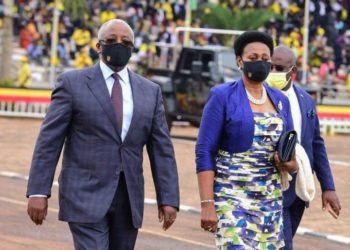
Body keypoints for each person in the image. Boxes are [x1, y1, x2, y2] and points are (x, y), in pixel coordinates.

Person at [26, 19, 179, 250]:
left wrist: (168, 198)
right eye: (111, 41)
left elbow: (162, 150)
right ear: (98, 46)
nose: (119, 45)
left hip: (129, 199)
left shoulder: (150, 92)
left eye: (125, 42)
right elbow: (49, 140)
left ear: (133, 48)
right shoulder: (72, 84)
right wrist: (38, 191)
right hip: (84, 195)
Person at [196, 31, 298, 249]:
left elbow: (291, 153)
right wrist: (207, 204)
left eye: (265, 58)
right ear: (240, 61)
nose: (259, 62)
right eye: (253, 58)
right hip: (232, 197)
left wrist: (290, 164)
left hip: (270, 199)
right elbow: (204, 151)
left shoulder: (280, 100)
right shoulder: (222, 96)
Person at [266, 45, 341, 250]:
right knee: (283, 245)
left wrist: (328, 187)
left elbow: (316, 144)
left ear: (293, 72)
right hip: (269, 190)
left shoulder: (306, 101)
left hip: (298, 193)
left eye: (279, 68)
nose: (273, 73)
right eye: (269, 66)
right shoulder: (259, 97)